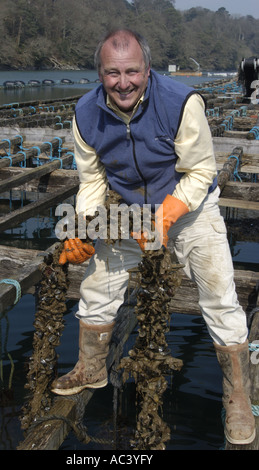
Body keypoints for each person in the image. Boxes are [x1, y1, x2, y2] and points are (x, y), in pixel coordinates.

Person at [51, 29, 255, 445]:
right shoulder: (85, 113)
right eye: (112, 73)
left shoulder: (181, 103)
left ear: (147, 69)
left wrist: (168, 216)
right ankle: (91, 367)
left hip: (190, 209)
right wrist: (86, 226)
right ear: (100, 73)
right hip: (128, 210)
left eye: (131, 71)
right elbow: (92, 179)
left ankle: (237, 394)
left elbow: (200, 171)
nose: (123, 82)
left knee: (220, 297)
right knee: (96, 285)